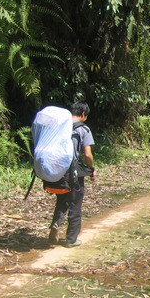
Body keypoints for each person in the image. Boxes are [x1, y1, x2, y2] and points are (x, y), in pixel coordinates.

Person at [48, 102, 97, 247]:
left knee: (62, 199)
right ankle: (71, 239)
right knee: (75, 203)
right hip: (73, 171)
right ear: (83, 114)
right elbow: (87, 154)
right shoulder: (83, 129)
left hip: (58, 169)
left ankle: (56, 223)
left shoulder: (60, 126)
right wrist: (92, 169)